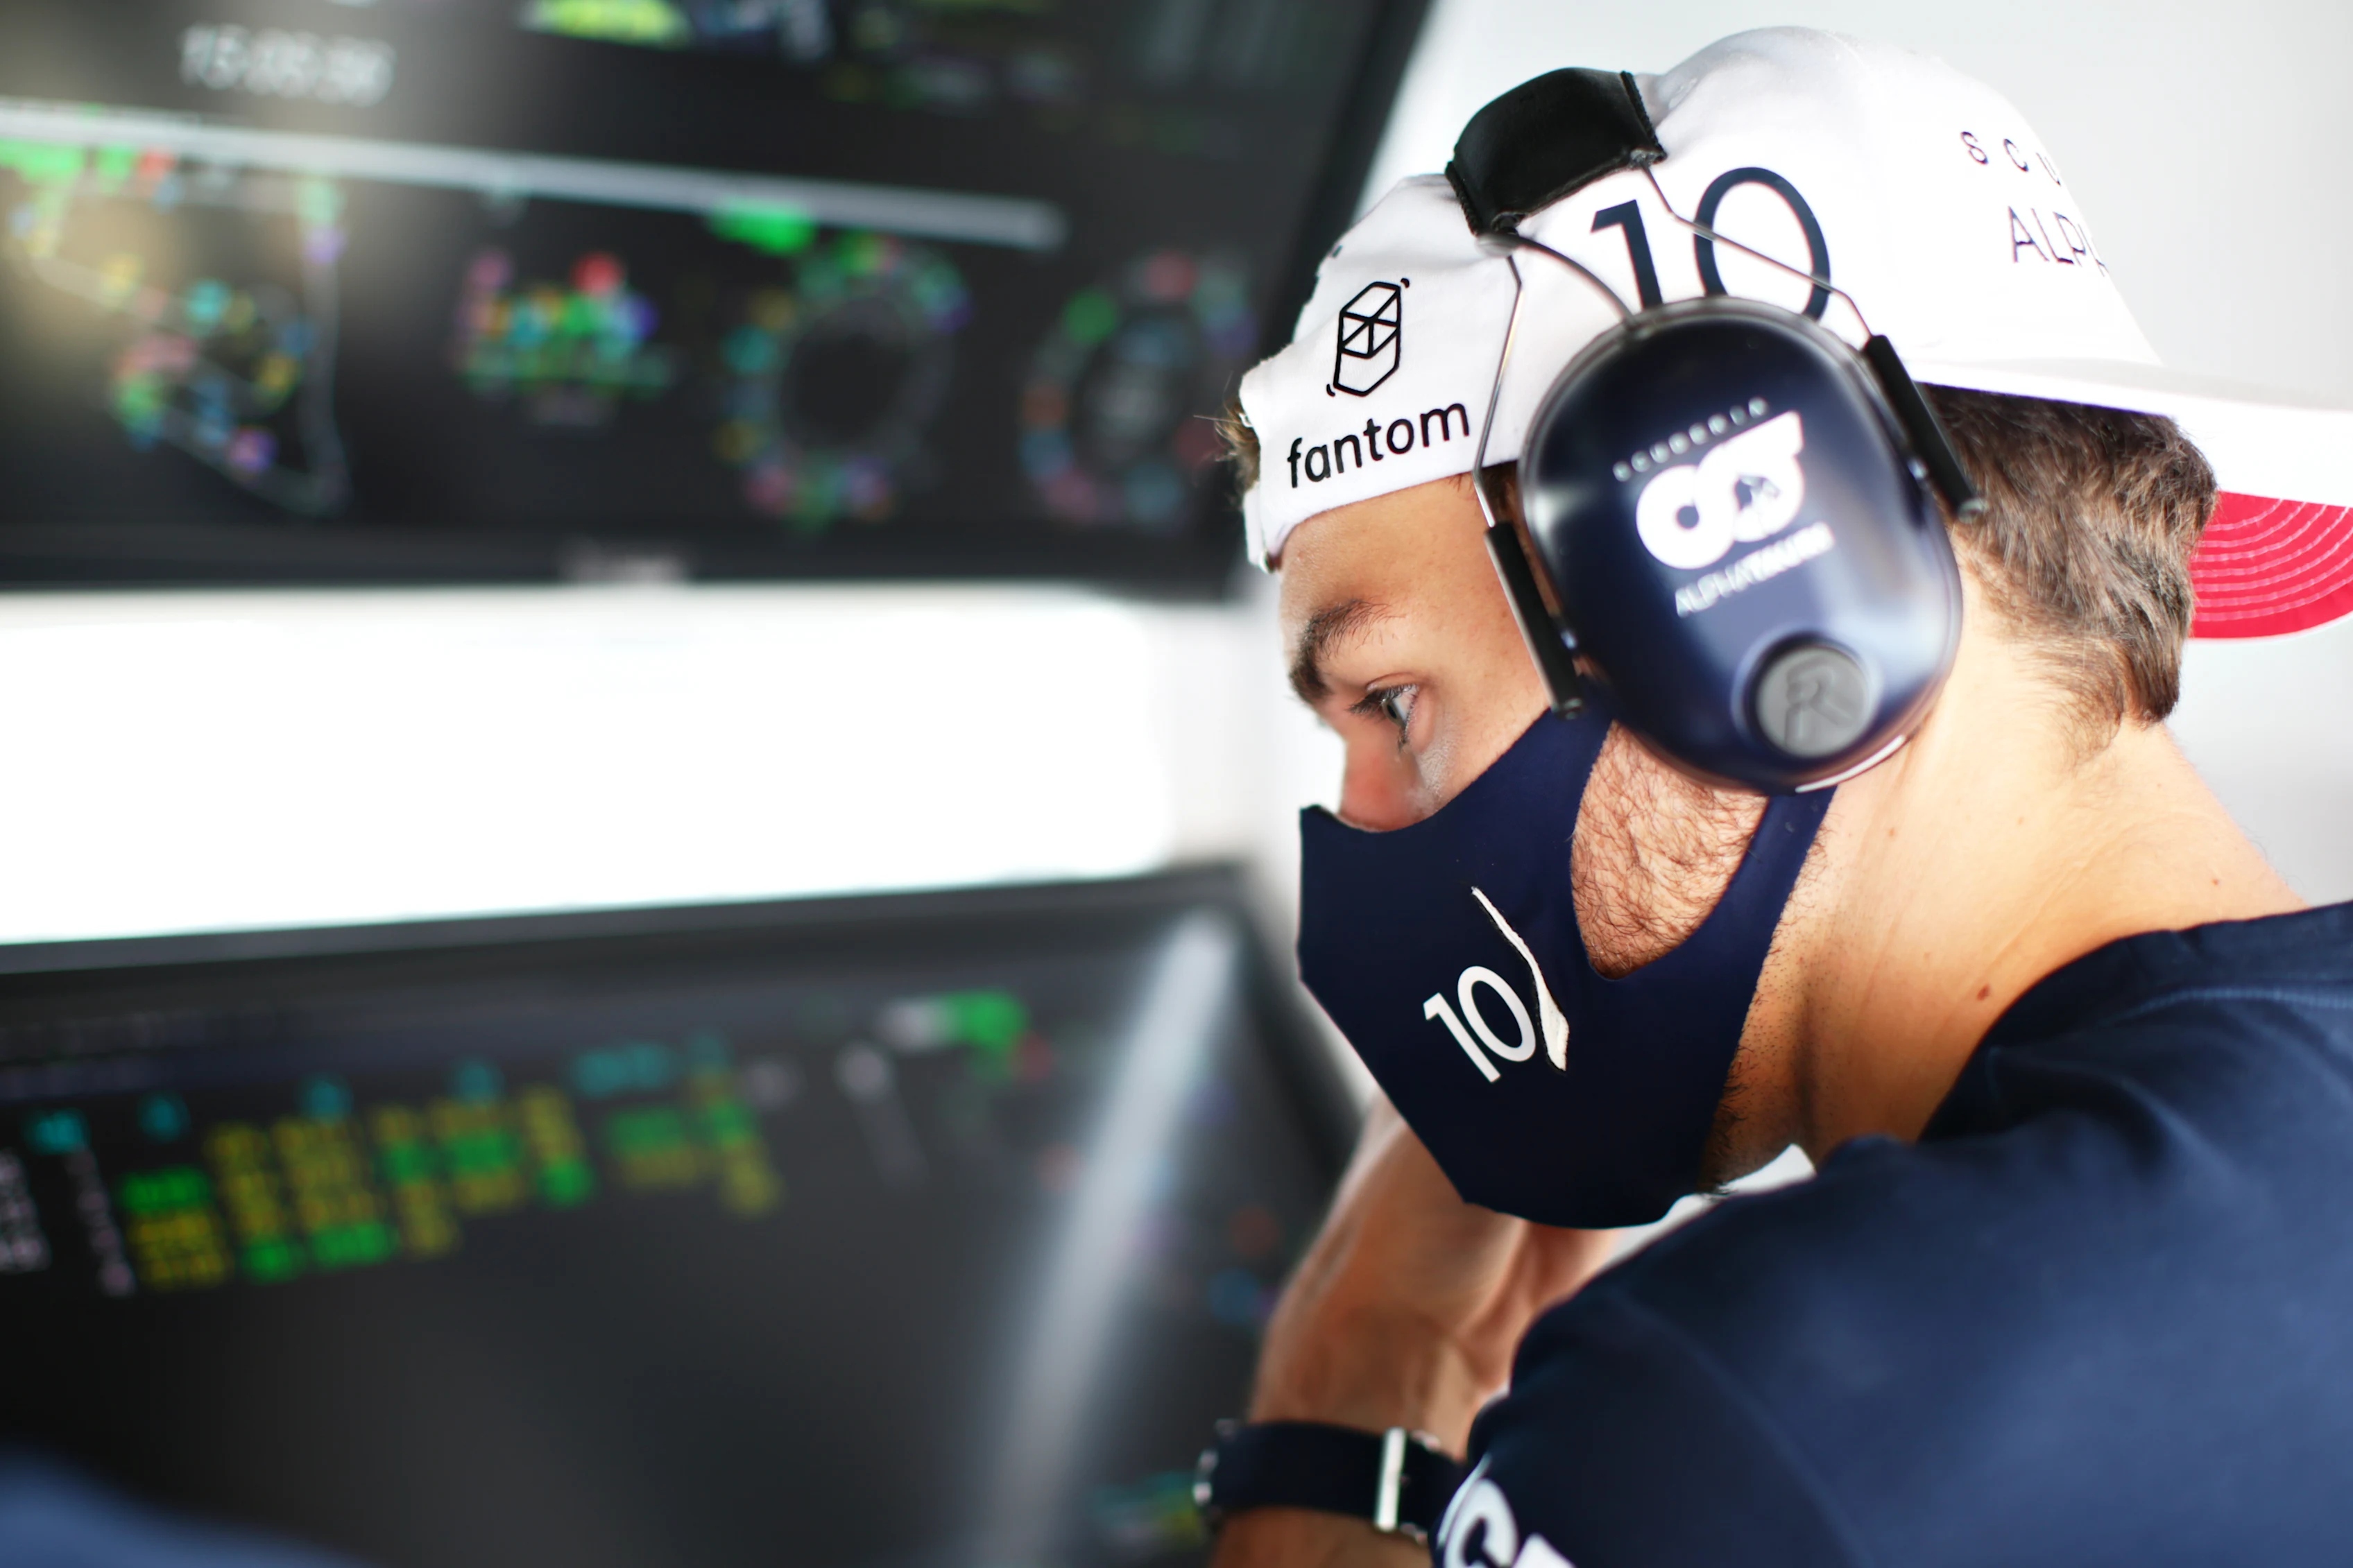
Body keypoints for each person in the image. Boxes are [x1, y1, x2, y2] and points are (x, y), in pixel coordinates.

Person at [1199, 28, 2353, 1567]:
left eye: (1392, 702)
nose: (1363, 828)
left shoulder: (1750, 1411)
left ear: (1754, 578)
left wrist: (1347, 1412)